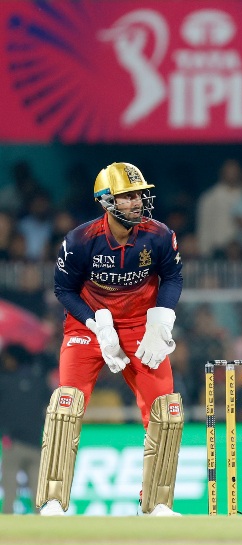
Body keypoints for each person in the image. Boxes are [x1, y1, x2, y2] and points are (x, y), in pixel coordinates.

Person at [38, 162, 184, 516]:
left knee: (166, 414)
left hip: (140, 328)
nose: (137, 202)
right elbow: (63, 289)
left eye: (139, 195)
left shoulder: (159, 235)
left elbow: (173, 277)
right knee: (66, 405)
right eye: (127, 196)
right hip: (88, 327)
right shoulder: (80, 240)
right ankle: (54, 500)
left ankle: (155, 504)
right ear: (106, 201)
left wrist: (161, 321)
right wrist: (96, 325)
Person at [0, 344, 51, 514]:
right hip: (35, 442)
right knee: (37, 492)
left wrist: (4, 434)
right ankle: (40, 525)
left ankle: (7, 523)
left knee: (9, 489)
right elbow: (51, 403)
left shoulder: (4, 382)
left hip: (13, 443)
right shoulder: (38, 381)